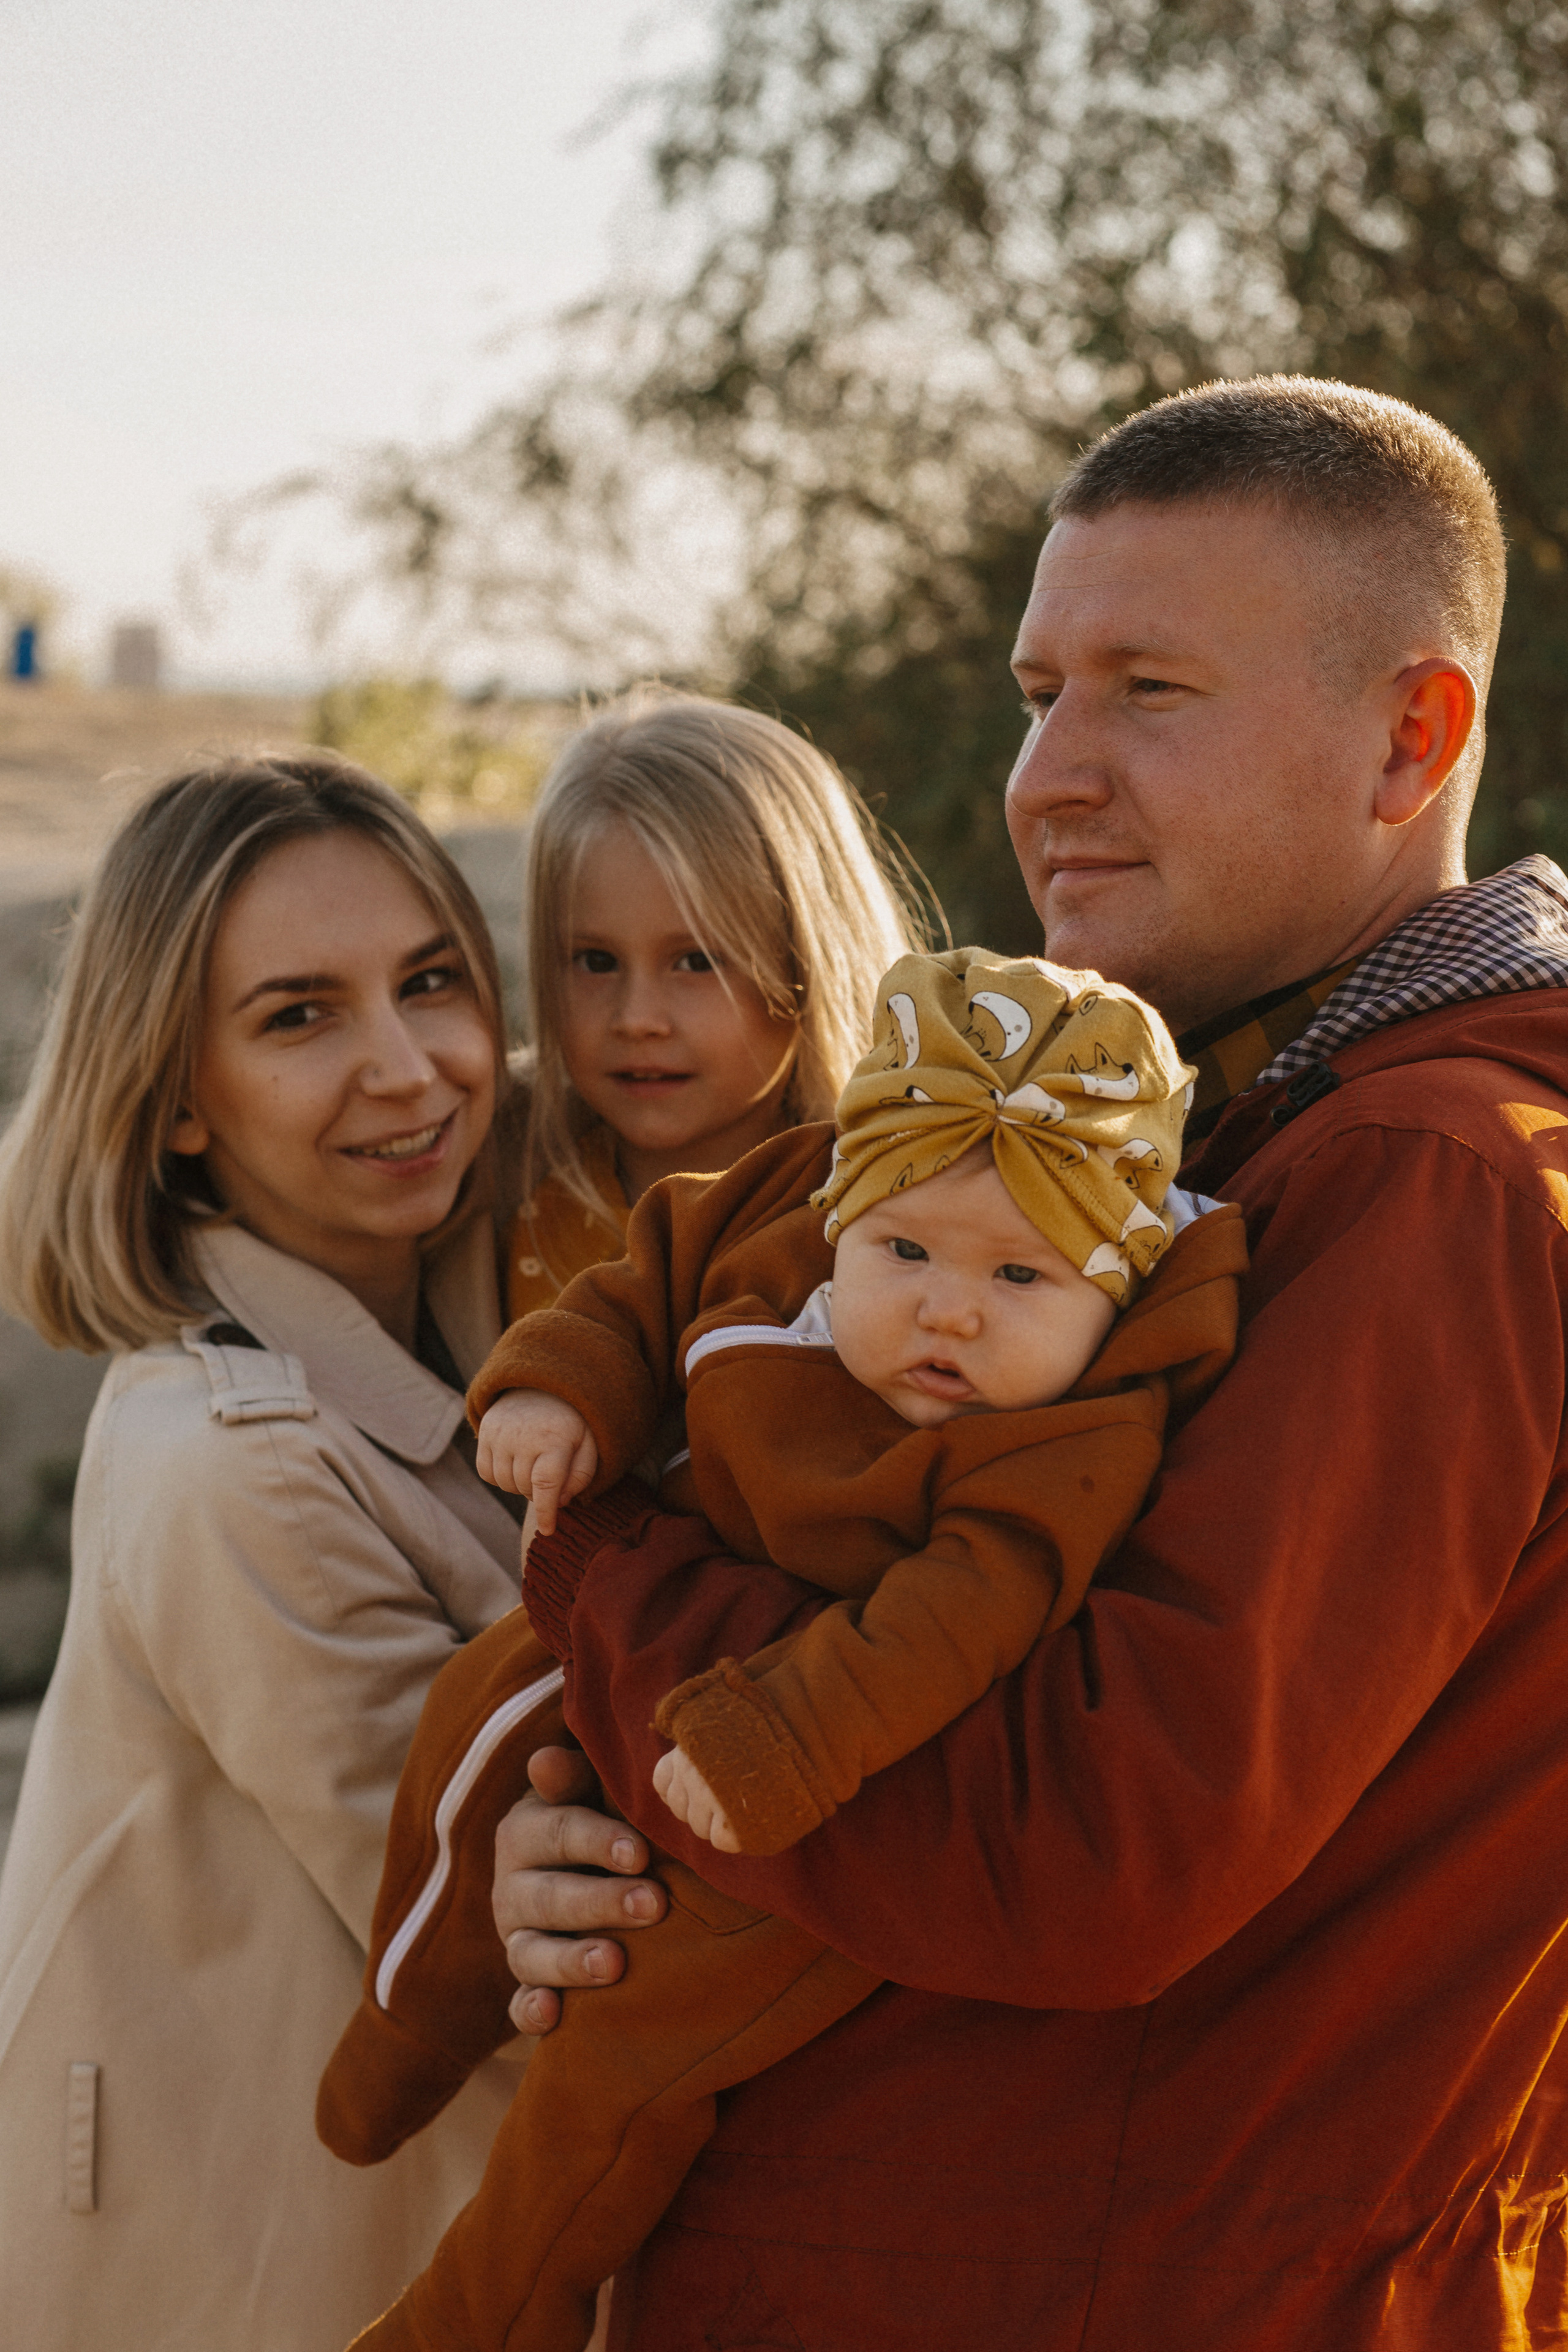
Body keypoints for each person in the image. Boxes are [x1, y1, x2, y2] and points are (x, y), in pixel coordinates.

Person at [488, 378, 1568, 2349]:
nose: (1047, 774)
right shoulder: (1210, 1131)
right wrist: (605, 1822)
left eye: (1148, 690)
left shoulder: (1436, 1183)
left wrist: (598, 1582)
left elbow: (1088, 1841)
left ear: (1411, 736)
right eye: (1034, 688)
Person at [317, 950, 1245, 2352]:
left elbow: (963, 1610)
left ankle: (485, 2309)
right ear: (843, 1208)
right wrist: (564, 1390)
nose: (950, 1309)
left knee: (623, 2063)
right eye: (907, 1251)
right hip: (657, 1622)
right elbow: (640, 1283)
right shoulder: (772, 1217)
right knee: (468, 1727)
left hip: (813, 1787)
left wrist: (783, 1740)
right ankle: (405, 2024)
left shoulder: (1065, 1434)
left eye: (1020, 1275)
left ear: (1112, 1296)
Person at [0, 756, 533, 2352]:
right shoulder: (237, 1470)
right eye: (300, 1017)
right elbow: (484, 1963)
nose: (408, 1069)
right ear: (175, 1093)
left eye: (431, 983)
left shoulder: (446, 1361)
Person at [505, 686, 918, 1314]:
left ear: (807, 957)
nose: (637, 1019)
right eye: (596, 961)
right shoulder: (500, 1182)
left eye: (697, 961)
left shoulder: (898, 1206)